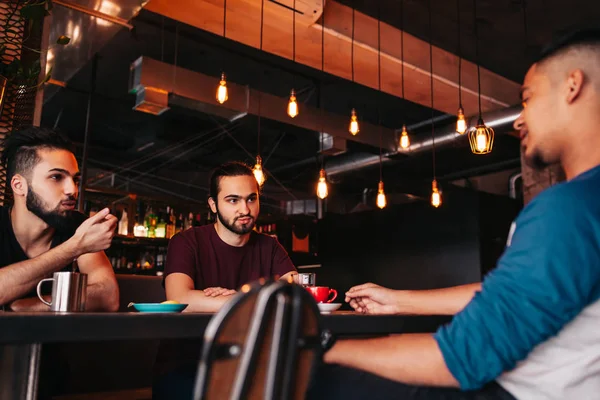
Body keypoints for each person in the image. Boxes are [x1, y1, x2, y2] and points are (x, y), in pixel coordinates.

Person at [309, 28, 600, 400]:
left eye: (527, 99)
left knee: (316, 380)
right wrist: (400, 300)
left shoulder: (569, 208)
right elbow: (523, 291)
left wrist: (318, 348)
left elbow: (462, 357)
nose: (518, 121)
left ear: (572, 86)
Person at [153, 161, 297, 399]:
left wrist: (232, 297)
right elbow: (179, 297)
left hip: (248, 362)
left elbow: (295, 294)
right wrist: (255, 298)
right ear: (213, 204)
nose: (245, 209)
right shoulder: (186, 241)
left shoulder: (270, 246)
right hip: (188, 363)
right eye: (233, 200)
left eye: (252, 199)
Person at [0, 127, 119, 312]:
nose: (72, 190)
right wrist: (75, 247)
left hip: (57, 339)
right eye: (56, 177)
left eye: (75, 179)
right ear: (19, 185)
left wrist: (32, 306)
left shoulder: (77, 225)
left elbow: (108, 296)